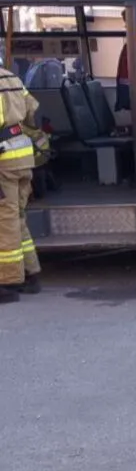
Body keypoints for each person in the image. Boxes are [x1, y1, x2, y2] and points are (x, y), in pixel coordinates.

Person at [0, 61, 41, 302]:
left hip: (3, 161)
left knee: (4, 222)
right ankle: (31, 272)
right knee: (16, 218)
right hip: (22, 157)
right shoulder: (11, 78)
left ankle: (7, 283)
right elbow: (32, 112)